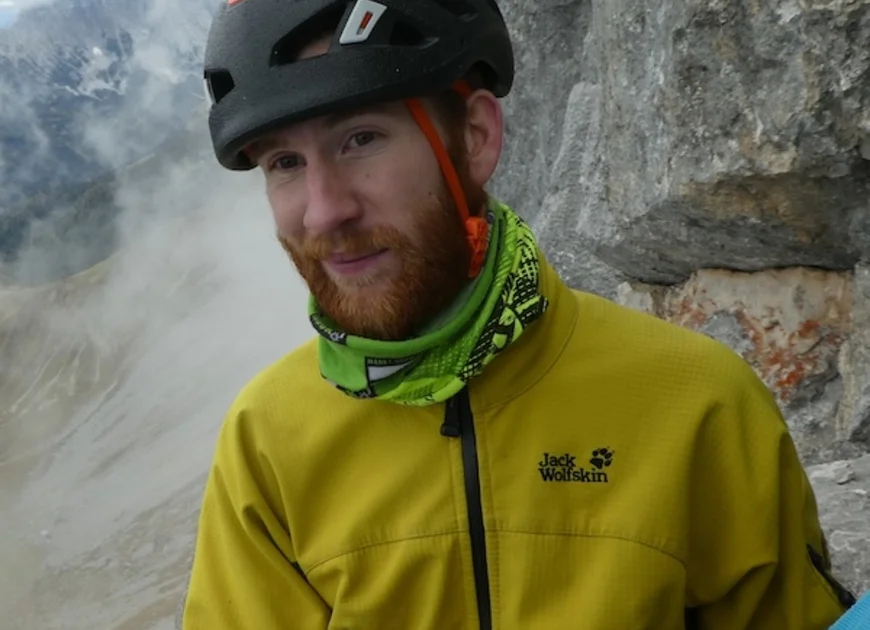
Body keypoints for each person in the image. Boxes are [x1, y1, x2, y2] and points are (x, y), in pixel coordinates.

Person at [182, 0, 858, 627]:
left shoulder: (700, 404)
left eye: (361, 139)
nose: (325, 210)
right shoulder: (266, 441)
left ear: (475, 137)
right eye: (285, 162)